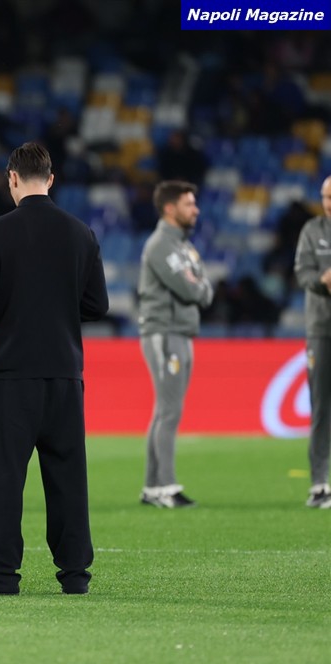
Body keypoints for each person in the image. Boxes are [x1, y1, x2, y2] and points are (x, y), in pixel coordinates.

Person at [0, 141, 108, 596]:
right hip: (65, 372)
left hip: (11, 373)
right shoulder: (80, 232)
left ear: (12, 178)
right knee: (68, 475)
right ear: (51, 179)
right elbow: (98, 305)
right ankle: (75, 575)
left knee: (6, 476)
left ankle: (2, 576)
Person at [136, 180, 214, 509]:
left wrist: (199, 286)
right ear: (170, 208)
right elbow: (190, 289)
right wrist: (198, 286)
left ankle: (153, 487)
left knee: (165, 410)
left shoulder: (183, 246)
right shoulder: (161, 245)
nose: (195, 210)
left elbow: (206, 289)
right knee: (169, 411)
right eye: (188, 204)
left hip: (180, 332)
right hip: (164, 332)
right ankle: (166, 486)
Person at [293, 174, 331, 509]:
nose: (328, 203)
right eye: (325, 196)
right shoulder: (312, 230)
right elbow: (301, 273)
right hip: (322, 329)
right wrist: (322, 279)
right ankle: (320, 483)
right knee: (321, 407)